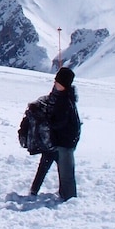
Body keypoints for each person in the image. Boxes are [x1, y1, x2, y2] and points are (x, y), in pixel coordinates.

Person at [30, 67, 81, 201]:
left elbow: (59, 122)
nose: (55, 83)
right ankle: (34, 191)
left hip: (65, 142)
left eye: (57, 82)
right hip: (56, 141)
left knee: (66, 174)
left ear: (63, 84)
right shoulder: (59, 97)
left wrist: (46, 119)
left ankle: (69, 198)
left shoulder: (64, 101)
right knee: (45, 166)